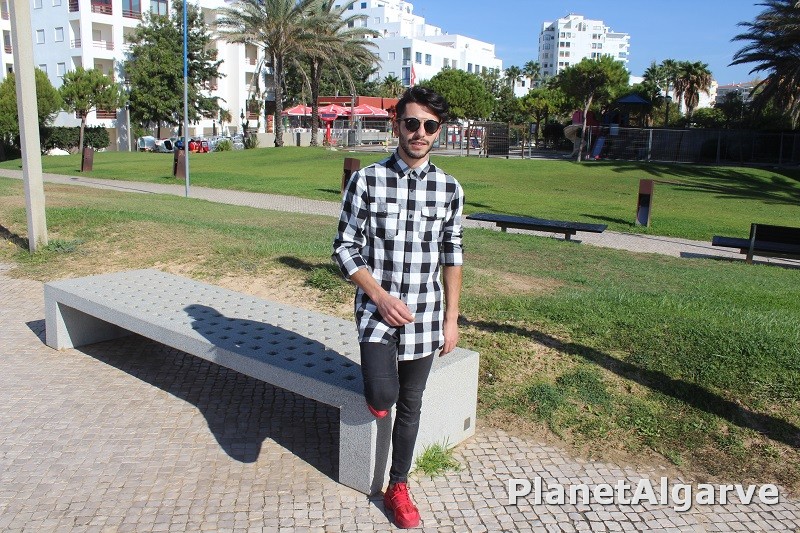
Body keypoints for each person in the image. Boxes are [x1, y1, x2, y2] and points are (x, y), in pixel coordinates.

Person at [332, 86, 464, 529]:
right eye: (411, 123)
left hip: (425, 314)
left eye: (429, 125)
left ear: (438, 131)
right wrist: (380, 296)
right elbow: (344, 247)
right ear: (396, 125)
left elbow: (453, 254)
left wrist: (451, 320)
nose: (419, 133)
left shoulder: (449, 188)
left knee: (411, 403)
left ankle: (399, 486)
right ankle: (378, 391)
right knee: (382, 396)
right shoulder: (367, 180)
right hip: (377, 311)